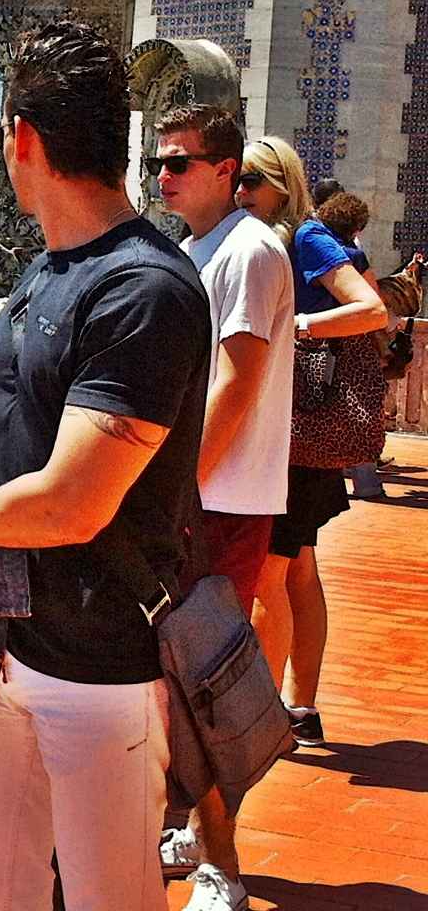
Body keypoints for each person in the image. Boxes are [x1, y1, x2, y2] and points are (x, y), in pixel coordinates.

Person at [0, 20, 210, 911]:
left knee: (110, 900)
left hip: (101, 664)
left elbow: (71, 505)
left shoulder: (144, 290)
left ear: (21, 139)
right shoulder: (49, 270)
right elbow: (16, 399)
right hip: (0, 642)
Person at [151, 106, 296, 909]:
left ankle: (222, 867)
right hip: (200, 500)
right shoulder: (194, 252)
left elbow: (236, 388)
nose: (163, 176)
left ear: (224, 170)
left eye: (179, 162)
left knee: (205, 686)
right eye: (157, 162)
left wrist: (170, 491)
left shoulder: (249, 251)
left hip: (222, 504)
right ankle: (190, 833)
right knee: (171, 682)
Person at [237, 143, 388, 750]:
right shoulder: (260, 239)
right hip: (290, 431)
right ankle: (299, 706)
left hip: (299, 430)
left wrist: (297, 326)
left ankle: (264, 717)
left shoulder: (305, 237)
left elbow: (371, 308)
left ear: (283, 184)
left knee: (271, 571)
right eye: (235, 178)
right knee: (298, 566)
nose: (240, 190)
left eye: (252, 179)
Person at [317, 191, 385, 499]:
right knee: (357, 411)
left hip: (313, 344)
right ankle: (366, 483)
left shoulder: (309, 247)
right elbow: (373, 299)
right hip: (351, 344)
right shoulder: (353, 257)